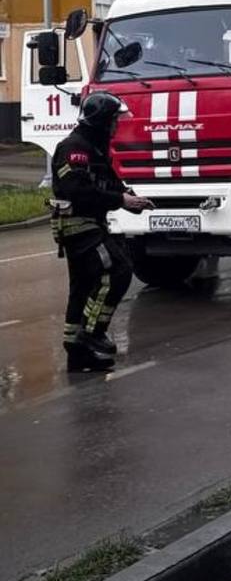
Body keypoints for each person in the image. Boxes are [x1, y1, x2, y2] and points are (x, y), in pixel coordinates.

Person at [51, 93, 153, 372]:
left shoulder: (94, 147)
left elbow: (109, 181)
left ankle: (77, 352)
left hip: (91, 224)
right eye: (114, 121)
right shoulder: (74, 149)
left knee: (82, 286)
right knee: (117, 269)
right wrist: (121, 201)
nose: (117, 126)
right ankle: (92, 332)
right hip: (77, 225)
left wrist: (129, 197)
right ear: (101, 122)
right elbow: (78, 191)